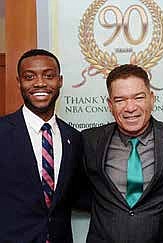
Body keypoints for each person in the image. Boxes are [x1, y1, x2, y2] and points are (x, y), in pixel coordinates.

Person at [82, 64, 163, 243]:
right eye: (120, 100)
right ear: (110, 105)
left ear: (151, 98)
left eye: (138, 97)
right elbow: (76, 193)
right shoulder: (89, 141)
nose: (130, 107)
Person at [0, 49, 88, 242]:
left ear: (60, 81)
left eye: (48, 76)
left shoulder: (73, 138)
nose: (40, 83)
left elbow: (78, 196)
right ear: (19, 82)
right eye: (29, 76)